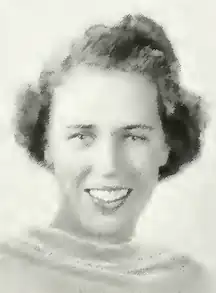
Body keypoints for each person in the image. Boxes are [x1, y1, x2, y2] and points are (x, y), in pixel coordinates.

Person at [0, 13, 210, 293]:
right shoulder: (9, 272)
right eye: (82, 136)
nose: (109, 165)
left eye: (134, 136)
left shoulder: (190, 282)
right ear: (46, 144)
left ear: (167, 144)